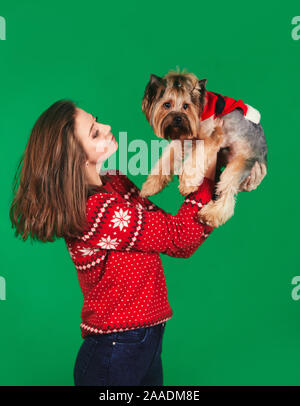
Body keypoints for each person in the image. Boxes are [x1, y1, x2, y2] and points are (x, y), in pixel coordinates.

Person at [9, 100, 266, 386]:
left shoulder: (115, 182)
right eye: (94, 133)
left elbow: (176, 233)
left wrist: (222, 163)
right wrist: (209, 161)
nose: (107, 128)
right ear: (75, 157)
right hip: (115, 351)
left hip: (146, 342)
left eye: (99, 120)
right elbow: (179, 238)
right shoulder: (95, 212)